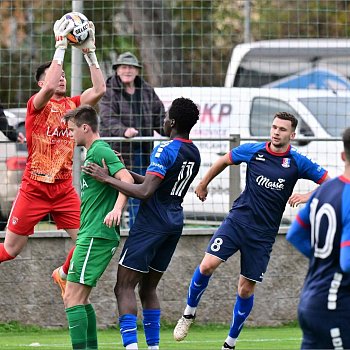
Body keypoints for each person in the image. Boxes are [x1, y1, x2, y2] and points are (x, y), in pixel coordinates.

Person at [173, 111, 330, 350]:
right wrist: (204, 183)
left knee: (245, 289)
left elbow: (330, 183)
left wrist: (307, 196)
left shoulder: (297, 162)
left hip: (263, 235)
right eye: (274, 127)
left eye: (283, 129)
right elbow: (224, 160)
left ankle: (230, 343)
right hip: (237, 222)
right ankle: (188, 314)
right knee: (207, 265)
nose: (277, 132)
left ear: (292, 134)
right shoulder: (254, 150)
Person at [82, 97, 201, 350]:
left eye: (167, 116)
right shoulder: (194, 153)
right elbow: (156, 184)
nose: (164, 120)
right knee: (148, 289)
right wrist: (122, 171)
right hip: (174, 223)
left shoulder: (165, 149)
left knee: (123, 286)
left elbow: (145, 192)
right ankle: (153, 348)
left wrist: (107, 178)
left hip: (151, 224)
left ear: (172, 122)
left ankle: (131, 347)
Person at [0, 17, 105, 271]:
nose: (61, 79)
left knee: (86, 240)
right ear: (40, 83)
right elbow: (48, 88)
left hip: (63, 190)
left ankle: (63, 273)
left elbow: (100, 89)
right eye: (56, 75)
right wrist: (60, 45)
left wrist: (90, 53)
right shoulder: (36, 105)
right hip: (34, 189)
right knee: (11, 249)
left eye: (63, 76)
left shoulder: (74, 105)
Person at [62, 105, 133, 350]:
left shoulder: (100, 150)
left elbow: (128, 179)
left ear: (85, 127)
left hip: (96, 235)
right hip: (90, 233)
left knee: (72, 298)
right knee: (79, 298)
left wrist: (116, 209)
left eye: (72, 130)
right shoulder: (93, 152)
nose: (70, 135)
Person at [286, 127, 350, 349]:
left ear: (343, 155)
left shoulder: (325, 190)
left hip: (311, 299)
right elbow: (347, 262)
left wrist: (323, 259)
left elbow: (295, 234)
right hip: (336, 306)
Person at [99, 51, 165, 227]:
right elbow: (107, 117)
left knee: (142, 190)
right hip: (118, 151)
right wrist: (124, 131)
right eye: (124, 67)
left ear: (137, 71)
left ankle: (139, 227)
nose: (128, 70)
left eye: (131, 67)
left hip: (143, 150)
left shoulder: (147, 90)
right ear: (117, 70)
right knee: (114, 191)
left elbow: (159, 116)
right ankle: (109, 227)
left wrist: (171, 128)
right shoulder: (109, 91)